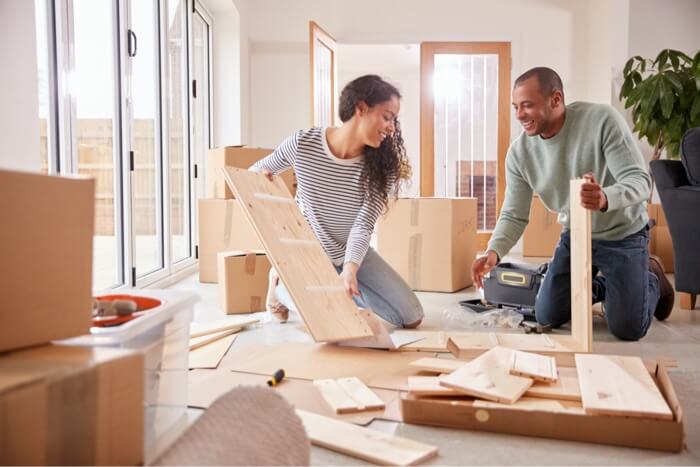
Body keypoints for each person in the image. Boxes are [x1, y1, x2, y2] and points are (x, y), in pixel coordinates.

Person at [471, 67, 674, 341]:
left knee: (627, 329)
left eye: (527, 105)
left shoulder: (602, 120)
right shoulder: (520, 154)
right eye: (516, 106)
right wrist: (494, 251)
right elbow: (514, 213)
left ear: (556, 99)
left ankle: (650, 279)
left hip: (623, 233)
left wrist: (605, 198)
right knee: (547, 316)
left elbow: (639, 181)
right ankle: (608, 286)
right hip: (576, 235)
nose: (519, 115)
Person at [250, 74, 424, 329]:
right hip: (305, 251)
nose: (392, 128)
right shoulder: (304, 144)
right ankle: (278, 285)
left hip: (348, 253)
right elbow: (255, 171)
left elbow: (363, 226)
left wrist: (350, 270)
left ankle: (331, 284)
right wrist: (262, 180)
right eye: (387, 117)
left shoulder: (380, 169)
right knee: (330, 317)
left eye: (394, 120)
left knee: (411, 317)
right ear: (361, 108)